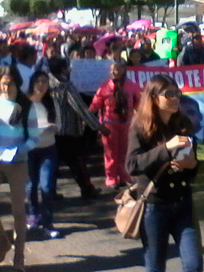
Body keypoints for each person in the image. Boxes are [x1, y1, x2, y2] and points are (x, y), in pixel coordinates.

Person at [126, 75, 202, 272]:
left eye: (177, 92)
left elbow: (193, 165)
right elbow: (132, 165)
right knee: (155, 266)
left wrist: (192, 164)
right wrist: (166, 148)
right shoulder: (140, 127)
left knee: (194, 265)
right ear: (153, 98)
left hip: (183, 202)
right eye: (169, 94)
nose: (176, 97)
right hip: (154, 207)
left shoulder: (184, 123)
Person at [0, 66, 41, 271]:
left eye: (10, 83)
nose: (6, 87)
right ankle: (1, 246)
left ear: (17, 84)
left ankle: (19, 255)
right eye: (3, 83)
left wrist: (18, 150)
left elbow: (35, 138)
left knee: (18, 211)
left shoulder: (26, 107)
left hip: (17, 161)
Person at [48, 58, 103, 199]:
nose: (70, 69)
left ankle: (49, 192)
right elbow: (81, 108)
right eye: (68, 67)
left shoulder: (45, 83)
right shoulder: (65, 86)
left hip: (51, 130)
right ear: (62, 69)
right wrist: (99, 127)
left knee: (52, 163)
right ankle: (87, 189)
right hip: (68, 130)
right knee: (77, 162)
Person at [90, 61, 140, 189]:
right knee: (111, 153)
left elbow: (139, 105)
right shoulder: (104, 87)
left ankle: (124, 176)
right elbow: (95, 106)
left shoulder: (132, 86)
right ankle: (111, 178)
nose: (113, 72)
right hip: (109, 125)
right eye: (112, 70)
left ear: (123, 70)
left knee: (125, 152)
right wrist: (91, 119)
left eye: (116, 69)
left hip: (127, 124)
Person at [26, 71, 62, 239]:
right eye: (38, 81)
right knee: (31, 187)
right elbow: (21, 129)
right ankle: (34, 217)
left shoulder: (51, 101)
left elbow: (60, 124)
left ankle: (48, 223)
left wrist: (54, 127)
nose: (41, 85)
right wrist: (42, 129)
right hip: (29, 151)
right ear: (32, 83)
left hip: (49, 149)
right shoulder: (24, 103)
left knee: (46, 187)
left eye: (45, 82)